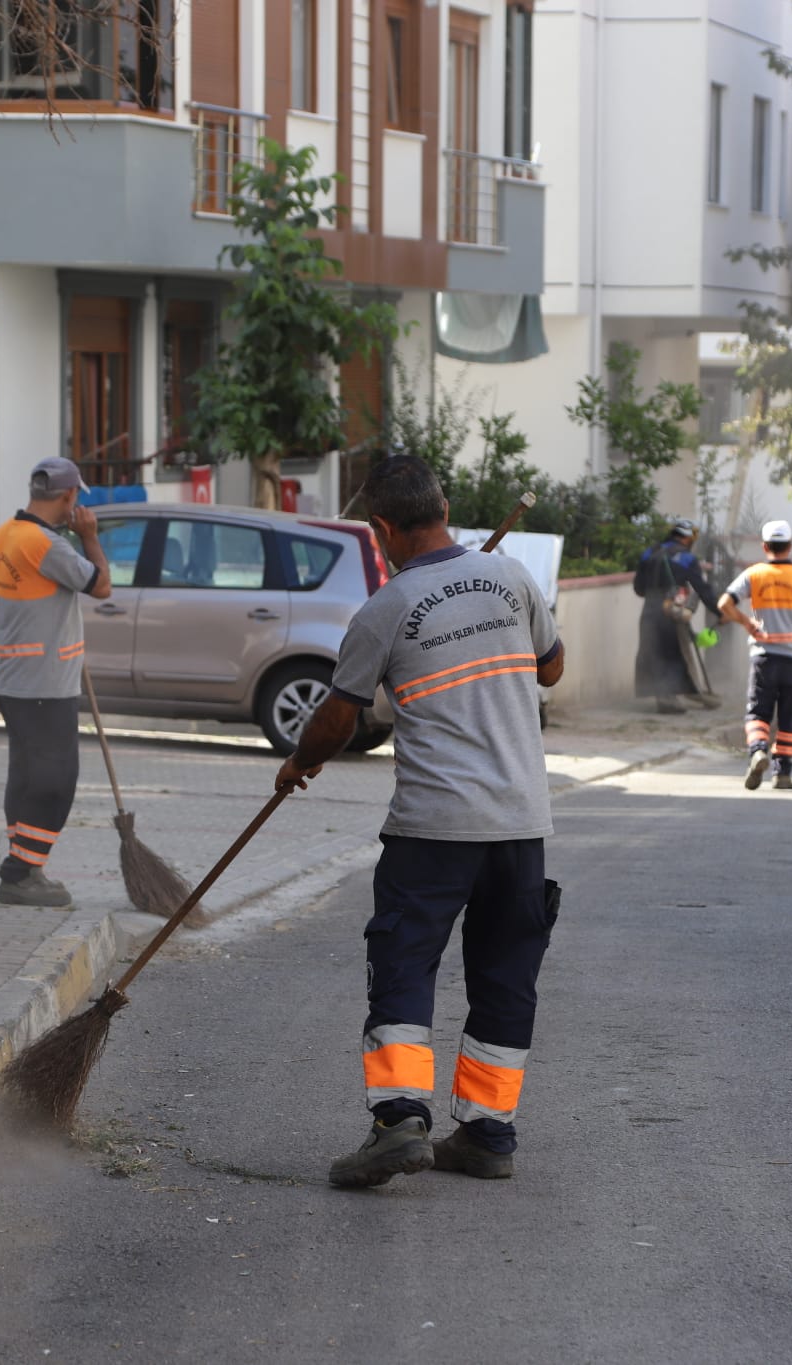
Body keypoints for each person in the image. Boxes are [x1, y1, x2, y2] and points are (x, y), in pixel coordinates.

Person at [273, 453, 566, 1189]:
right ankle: (487, 1134)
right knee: (505, 978)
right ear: (443, 508)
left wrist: (298, 763)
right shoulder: (512, 579)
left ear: (381, 529)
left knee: (404, 967)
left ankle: (399, 1119)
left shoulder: (385, 608)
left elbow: (339, 715)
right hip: (521, 825)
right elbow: (552, 668)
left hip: (434, 828)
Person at [0, 457, 112, 908]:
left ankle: (26, 867)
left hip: (13, 679)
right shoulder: (48, 545)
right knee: (56, 780)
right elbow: (101, 586)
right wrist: (89, 538)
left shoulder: (6, 535)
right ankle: (19, 875)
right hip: (46, 683)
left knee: (26, 777)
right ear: (70, 497)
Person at [716, 521, 792, 792]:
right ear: (790, 546)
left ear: (764, 546)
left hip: (764, 658)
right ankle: (782, 774)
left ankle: (758, 750)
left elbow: (723, 604)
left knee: (758, 713)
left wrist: (747, 622)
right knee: (789, 717)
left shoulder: (754, 574)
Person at [633, 518, 722, 713]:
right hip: (672, 612)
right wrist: (719, 610)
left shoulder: (650, 553)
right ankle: (689, 695)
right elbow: (702, 589)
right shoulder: (687, 559)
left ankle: (667, 697)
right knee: (679, 653)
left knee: (653, 652)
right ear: (688, 539)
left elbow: (638, 588)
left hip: (649, 610)